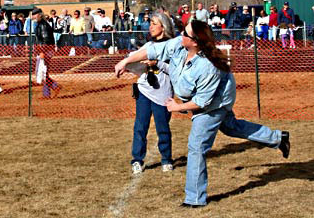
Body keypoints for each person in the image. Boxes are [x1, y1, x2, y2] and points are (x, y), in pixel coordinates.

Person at [114, 20, 290, 207]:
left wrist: (176, 107)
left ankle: (195, 199)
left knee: (196, 146)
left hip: (214, 104)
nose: (181, 35)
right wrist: (126, 60)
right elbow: (153, 51)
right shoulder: (179, 46)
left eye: (186, 34)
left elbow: (202, 102)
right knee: (232, 127)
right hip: (201, 100)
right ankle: (278, 138)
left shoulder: (208, 66)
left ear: (195, 42)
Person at [129, 12, 176, 174]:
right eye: (150, 23)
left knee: (162, 127)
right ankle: (137, 159)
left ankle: (166, 159)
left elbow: (175, 70)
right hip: (144, 91)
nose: (151, 26)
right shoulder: (148, 46)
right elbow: (133, 60)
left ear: (163, 27)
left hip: (162, 93)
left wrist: (157, 63)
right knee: (140, 127)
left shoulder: (172, 46)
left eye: (154, 23)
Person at [31, 8, 60, 98]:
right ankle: (47, 93)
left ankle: (54, 87)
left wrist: (42, 51)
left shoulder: (43, 25)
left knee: (42, 72)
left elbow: (45, 40)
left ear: (39, 15)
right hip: (45, 50)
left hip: (45, 51)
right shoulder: (40, 24)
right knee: (43, 72)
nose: (33, 17)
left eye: (34, 15)